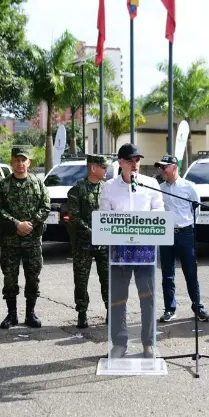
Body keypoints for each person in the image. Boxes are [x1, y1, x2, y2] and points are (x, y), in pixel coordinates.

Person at [99, 143, 164, 358]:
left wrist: (142, 225)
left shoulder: (151, 183)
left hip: (145, 250)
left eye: (137, 160)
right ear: (120, 163)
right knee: (118, 298)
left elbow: (159, 211)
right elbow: (104, 217)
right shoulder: (109, 187)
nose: (135, 164)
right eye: (130, 160)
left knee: (148, 297)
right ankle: (119, 343)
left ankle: (148, 343)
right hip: (120, 251)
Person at [0, 146, 50, 329]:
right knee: (10, 278)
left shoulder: (38, 183)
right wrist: (16, 224)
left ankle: (30, 314)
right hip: (10, 240)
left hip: (32, 240)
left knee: (33, 278)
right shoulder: (2, 185)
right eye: (16, 160)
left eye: (23, 160)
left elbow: (45, 206)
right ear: (11, 162)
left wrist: (31, 224)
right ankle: (11, 315)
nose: (20, 164)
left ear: (29, 162)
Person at [156, 155, 209, 323]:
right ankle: (170, 309)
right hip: (166, 234)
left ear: (174, 167)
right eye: (160, 167)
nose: (161, 170)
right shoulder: (159, 188)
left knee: (190, 272)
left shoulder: (189, 187)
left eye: (164, 167)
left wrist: (187, 226)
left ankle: (197, 306)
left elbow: (196, 210)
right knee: (167, 274)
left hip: (185, 233)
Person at [66, 154, 110, 329]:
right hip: (83, 244)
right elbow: (74, 217)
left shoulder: (107, 189)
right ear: (93, 168)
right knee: (81, 280)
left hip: (104, 244)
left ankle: (110, 311)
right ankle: (82, 313)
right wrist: (94, 232)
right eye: (103, 167)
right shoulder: (78, 189)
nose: (106, 170)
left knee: (107, 278)